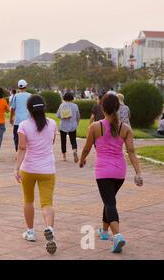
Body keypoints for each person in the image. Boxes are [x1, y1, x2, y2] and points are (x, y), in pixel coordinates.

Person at [79, 94, 143, 254]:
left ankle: (118, 236)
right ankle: (104, 231)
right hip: (120, 171)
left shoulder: (95, 127)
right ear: (118, 108)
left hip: (103, 171)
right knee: (109, 200)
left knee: (109, 202)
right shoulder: (126, 129)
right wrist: (138, 173)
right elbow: (132, 152)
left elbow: (86, 148)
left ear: (102, 108)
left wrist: (82, 160)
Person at [13, 95, 58, 255]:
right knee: (46, 202)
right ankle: (49, 228)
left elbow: (22, 148)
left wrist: (16, 168)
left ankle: (30, 232)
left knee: (28, 200)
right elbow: (51, 143)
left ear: (28, 109)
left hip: (29, 169)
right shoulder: (52, 123)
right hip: (47, 169)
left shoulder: (24, 125)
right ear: (44, 108)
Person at [56, 92, 81, 162]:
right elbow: (78, 116)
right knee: (73, 140)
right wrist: (77, 123)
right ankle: (74, 150)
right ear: (72, 98)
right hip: (72, 125)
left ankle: (64, 157)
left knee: (63, 141)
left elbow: (58, 115)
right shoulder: (75, 106)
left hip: (63, 126)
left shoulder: (62, 105)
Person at [10, 80, 32, 151]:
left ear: (18, 87)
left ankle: (18, 151)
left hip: (18, 121)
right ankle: (27, 151)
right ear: (26, 86)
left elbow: (12, 108)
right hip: (28, 121)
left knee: (16, 137)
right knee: (28, 137)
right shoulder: (30, 95)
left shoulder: (16, 96)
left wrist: (11, 118)